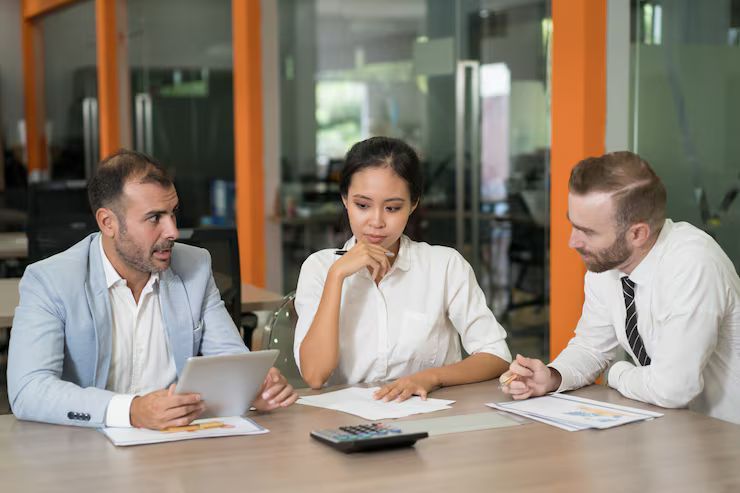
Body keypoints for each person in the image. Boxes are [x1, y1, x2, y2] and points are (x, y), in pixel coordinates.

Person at [7, 149, 297, 429]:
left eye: (173, 213)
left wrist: (254, 386)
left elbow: (230, 359)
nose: (172, 231)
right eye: (154, 218)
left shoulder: (195, 266)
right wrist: (132, 411)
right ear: (108, 223)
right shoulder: (50, 280)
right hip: (87, 448)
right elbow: (29, 390)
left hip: (178, 445)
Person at [501, 151, 740, 424]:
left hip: (727, 437)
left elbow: (674, 388)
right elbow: (591, 348)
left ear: (637, 234)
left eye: (588, 232)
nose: (572, 242)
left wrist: (617, 373)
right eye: (573, 225)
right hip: (673, 429)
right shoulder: (607, 264)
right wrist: (552, 377)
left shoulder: (693, 263)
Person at [294, 136, 511, 401]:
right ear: (344, 199)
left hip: (431, 422)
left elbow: (496, 355)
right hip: (349, 426)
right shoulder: (320, 268)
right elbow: (315, 375)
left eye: (393, 208)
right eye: (362, 205)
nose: (376, 221)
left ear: (413, 204)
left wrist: (431, 377)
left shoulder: (444, 266)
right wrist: (337, 276)